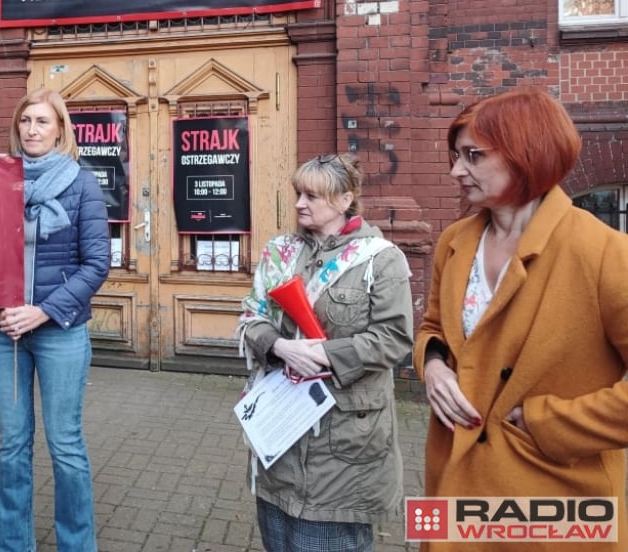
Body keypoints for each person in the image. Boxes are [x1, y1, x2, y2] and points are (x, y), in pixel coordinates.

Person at [414, 88, 628, 551]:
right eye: (456, 155)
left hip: (554, 500)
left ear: (525, 153)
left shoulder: (605, 253)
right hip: (453, 480)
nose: (455, 170)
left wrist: (545, 423)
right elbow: (433, 328)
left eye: (473, 155)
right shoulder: (454, 242)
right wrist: (431, 367)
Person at [238, 153, 413, 552]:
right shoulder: (279, 253)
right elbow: (252, 315)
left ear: (344, 199)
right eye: (299, 193)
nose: (300, 203)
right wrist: (280, 346)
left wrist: (323, 355)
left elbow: (395, 338)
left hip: (345, 446)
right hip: (281, 434)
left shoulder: (380, 259)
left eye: (312, 195)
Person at [0, 88, 110, 552]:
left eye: (42, 122)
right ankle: (15, 545)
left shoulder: (81, 184)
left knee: (65, 446)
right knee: (13, 445)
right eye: (26, 121)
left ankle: (77, 545)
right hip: (2, 334)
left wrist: (42, 311)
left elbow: (97, 264)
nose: (32, 130)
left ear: (60, 130)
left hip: (59, 334)